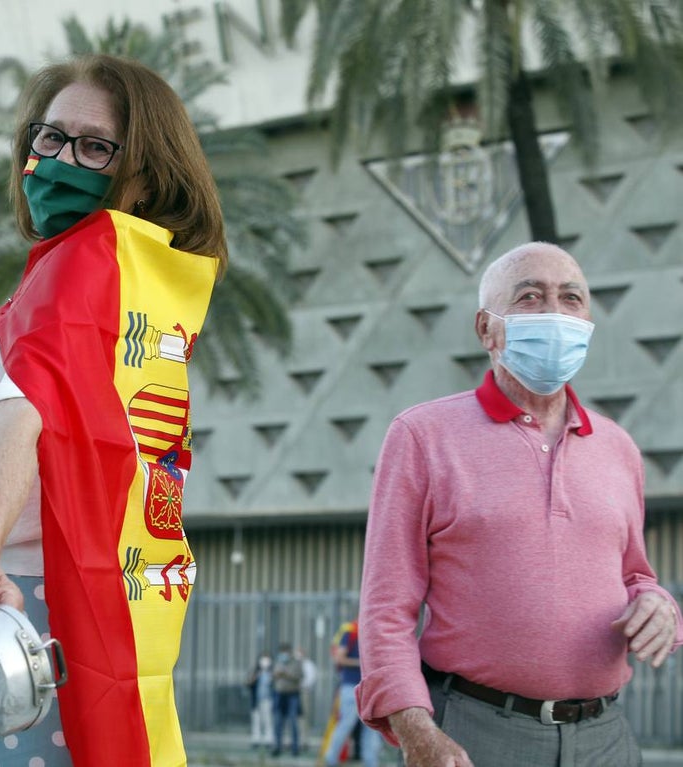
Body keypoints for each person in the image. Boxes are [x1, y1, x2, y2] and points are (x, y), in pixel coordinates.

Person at [0, 53, 226, 767]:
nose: (58, 160)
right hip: (67, 594)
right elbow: (35, 425)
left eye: (93, 146)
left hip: (15, 600)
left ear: (143, 171)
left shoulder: (78, 265)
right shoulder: (126, 283)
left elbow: (20, 415)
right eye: (48, 138)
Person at [357, 242, 683, 767]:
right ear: (487, 329)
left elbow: (635, 576)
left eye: (571, 298)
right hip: (474, 735)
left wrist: (660, 605)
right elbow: (386, 608)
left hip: (607, 738)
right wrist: (416, 730)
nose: (555, 312)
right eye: (531, 296)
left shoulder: (619, 448)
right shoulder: (422, 436)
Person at [321, 620, 381, 767]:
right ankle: (331, 760)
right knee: (346, 724)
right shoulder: (351, 631)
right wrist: (364, 663)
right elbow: (339, 658)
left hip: (370, 688)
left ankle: (371, 763)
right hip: (351, 687)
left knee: (372, 728)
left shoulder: (375, 631)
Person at [271, 642, 304, 756]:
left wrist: (285, 674)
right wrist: (276, 674)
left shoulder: (296, 663)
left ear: (290, 652)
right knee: (278, 721)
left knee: (293, 721)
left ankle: (295, 748)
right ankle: (277, 746)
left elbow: (299, 676)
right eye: (282, 652)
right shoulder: (278, 662)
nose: (283, 654)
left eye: (285, 652)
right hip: (279, 694)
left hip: (292, 695)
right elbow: (273, 676)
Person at [247, 652, 275, 750]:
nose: (265, 662)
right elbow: (248, 683)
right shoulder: (255, 671)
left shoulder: (272, 672)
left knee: (267, 720)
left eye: (267, 659)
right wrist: (255, 677)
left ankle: (269, 740)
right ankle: (256, 740)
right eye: (263, 659)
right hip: (256, 700)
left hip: (268, 699)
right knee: (256, 720)